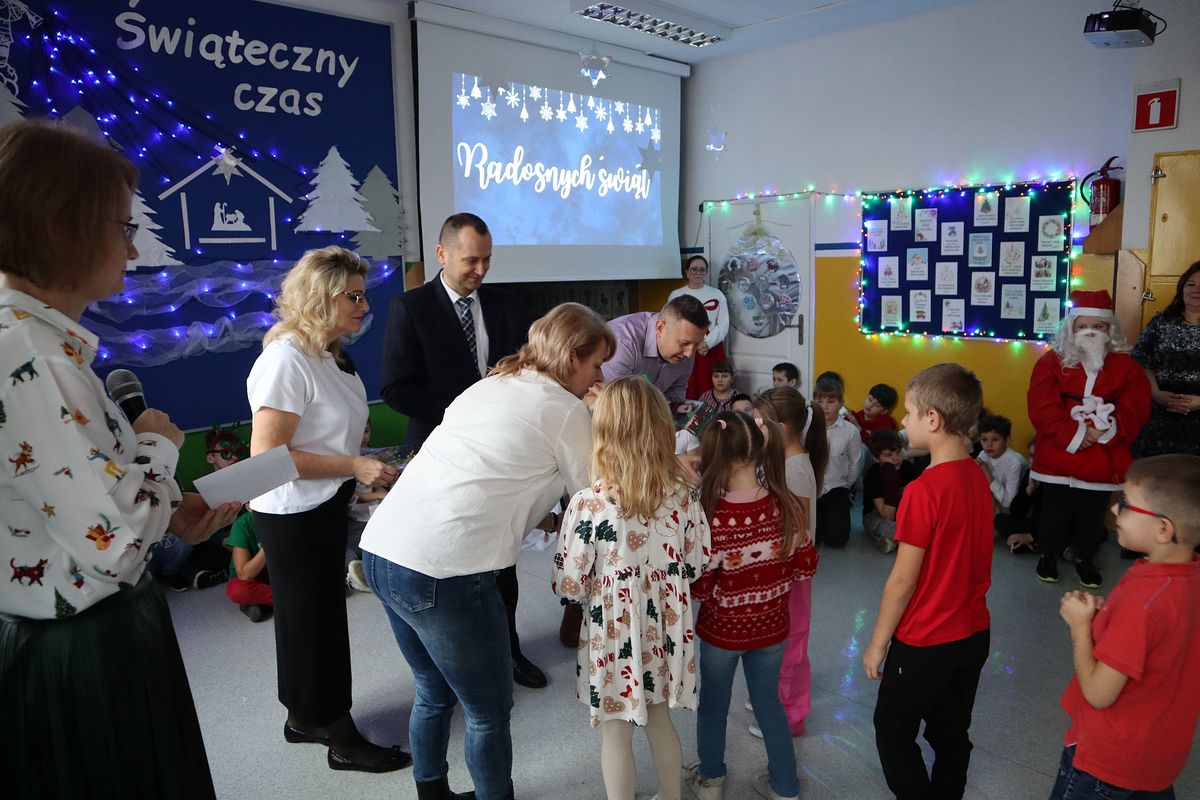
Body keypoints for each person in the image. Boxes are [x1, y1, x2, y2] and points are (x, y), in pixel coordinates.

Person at [0, 120, 240, 798]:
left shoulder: (37, 345)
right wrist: (158, 445)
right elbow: (117, 545)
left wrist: (168, 512)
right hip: (84, 650)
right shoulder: (33, 359)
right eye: (122, 226)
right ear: (61, 226)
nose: (133, 247)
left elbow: (79, 506)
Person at [362, 303, 615, 800]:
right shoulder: (565, 410)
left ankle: (432, 792)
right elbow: (599, 492)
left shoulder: (490, 385)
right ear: (571, 357)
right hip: (445, 569)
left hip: (382, 550)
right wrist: (607, 415)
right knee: (488, 711)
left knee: (432, 691)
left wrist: (546, 517)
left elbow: (493, 477)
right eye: (596, 365)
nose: (599, 378)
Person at [247, 245, 409, 774]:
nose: (365, 306)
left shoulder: (329, 354)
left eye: (364, 295)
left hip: (321, 501)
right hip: (292, 512)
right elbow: (267, 459)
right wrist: (354, 465)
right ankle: (341, 737)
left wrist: (352, 464)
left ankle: (303, 718)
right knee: (317, 624)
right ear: (320, 297)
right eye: (353, 297)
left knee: (305, 620)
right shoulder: (286, 359)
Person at [380, 212, 544, 689]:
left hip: (502, 452)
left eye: (487, 260)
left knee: (501, 557)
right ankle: (451, 664)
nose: (481, 270)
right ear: (442, 254)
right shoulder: (411, 308)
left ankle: (509, 651)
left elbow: (529, 369)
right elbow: (394, 387)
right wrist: (467, 411)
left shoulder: (509, 305)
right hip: (440, 451)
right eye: (471, 260)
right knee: (448, 558)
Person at [551, 376, 712, 800]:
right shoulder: (684, 496)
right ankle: (671, 796)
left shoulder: (589, 503)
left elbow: (569, 583)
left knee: (616, 731)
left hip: (613, 633)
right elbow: (697, 563)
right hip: (665, 629)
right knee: (660, 720)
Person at [863, 363, 993, 800]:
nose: (904, 420)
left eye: (910, 412)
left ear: (933, 419)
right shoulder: (977, 475)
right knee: (950, 733)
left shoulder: (923, 490)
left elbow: (902, 580)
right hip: (973, 634)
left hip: (926, 640)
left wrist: (878, 642)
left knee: (892, 729)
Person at [1051, 454, 1200, 799]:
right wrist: (1108, 621)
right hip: (1156, 758)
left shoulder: (1144, 603)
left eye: (1127, 505)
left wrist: (1080, 628)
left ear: (1163, 530)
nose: (1115, 509)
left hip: (1107, 762)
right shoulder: (1186, 576)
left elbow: (1098, 693)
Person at [687, 411, 814, 800]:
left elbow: (701, 588)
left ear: (715, 456)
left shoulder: (710, 516)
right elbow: (806, 567)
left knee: (713, 706)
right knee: (769, 704)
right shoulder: (787, 505)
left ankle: (710, 782)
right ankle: (786, 787)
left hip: (722, 633)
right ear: (760, 451)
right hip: (772, 628)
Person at [1028, 289, 1151, 588]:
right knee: (1054, 509)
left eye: (1098, 326)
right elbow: (1042, 405)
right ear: (1071, 329)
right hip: (1060, 451)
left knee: (1092, 513)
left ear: (1110, 330)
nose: (1090, 332)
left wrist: (1104, 430)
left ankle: (1084, 556)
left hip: (1103, 455)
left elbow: (1135, 406)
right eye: (1082, 326)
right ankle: (1048, 553)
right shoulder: (1051, 362)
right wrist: (1074, 433)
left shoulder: (1127, 367)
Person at [753, 386, 827, 739]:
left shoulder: (795, 468)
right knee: (775, 642)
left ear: (780, 428)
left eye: (759, 424)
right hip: (781, 571)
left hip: (791, 572)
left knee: (790, 646)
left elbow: (795, 531)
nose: (755, 431)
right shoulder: (785, 460)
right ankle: (773, 699)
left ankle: (789, 716)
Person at [146, 424, 244, 592]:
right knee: (206, 555)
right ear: (211, 458)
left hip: (240, 537)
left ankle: (230, 571)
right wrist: (223, 541)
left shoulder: (244, 483)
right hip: (216, 541)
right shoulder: (200, 490)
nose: (234, 457)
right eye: (227, 452)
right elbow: (202, 525)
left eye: (239, 452)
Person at [1131, 262, 1200, 458]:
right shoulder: (1161, 322)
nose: (1196, 290)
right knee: (1156, 471)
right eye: (1191, 284)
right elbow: (1139, 359)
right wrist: (1156, 393)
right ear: (1182, 289)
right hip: (1160, 414)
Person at [602, 294, 710, 406]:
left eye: (697, 344)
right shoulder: (622, 344)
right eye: (684, 343)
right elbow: (614, 406)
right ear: (660, 328)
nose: (689, 354)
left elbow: (675, 394)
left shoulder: (687, 347)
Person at [668, 255, 729, 400]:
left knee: (711, 388)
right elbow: (671, 322)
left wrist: (707, 343)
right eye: (694, 269)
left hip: (710, 348)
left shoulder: (717, 294)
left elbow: (723, 324)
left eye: (702, 270)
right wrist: (692, 343)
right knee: (687, 386)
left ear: (706, 272)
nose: (698, 273)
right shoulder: (676, 295)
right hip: (684, 348)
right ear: (687, 272)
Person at [812, 371, 861, 547]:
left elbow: (855, 463)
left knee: (837, 540)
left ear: (841, 403)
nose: (825, 407)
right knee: (812, 539)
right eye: (820, 401)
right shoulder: (806, 427)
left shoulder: (851, 431)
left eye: (831, 401)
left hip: (837, 488)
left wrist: (846, 485)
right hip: (811, 489)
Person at [861, 429, 921, 554]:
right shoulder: (872, 475)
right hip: (876, 515)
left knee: (920, 525)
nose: (896, 458)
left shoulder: (908, 468)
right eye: (888, 455)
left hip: (904, 514)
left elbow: (918, 502)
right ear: (876, 458)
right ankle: (901, 538)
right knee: (885, 527)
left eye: (898, 453)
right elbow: (887, 515)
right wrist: (891, 483)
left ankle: (890, 540)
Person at [225, 509, 271, 622]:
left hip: (279, 576)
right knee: (236, 590)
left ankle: (265, 604)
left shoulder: (285, 514)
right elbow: (244, 574)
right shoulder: (242, 525)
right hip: (255, 578)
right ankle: (291, 599)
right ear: (249, 507)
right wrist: (269, 543)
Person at [976, 414, 1024, 513]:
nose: (989, 444)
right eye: (984, 440)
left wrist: (988, 474)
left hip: (1012, 512)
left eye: (995, 439)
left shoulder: (1015, 463)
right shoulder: (983, 455)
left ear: (1007, 441)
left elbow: (1009, 503)